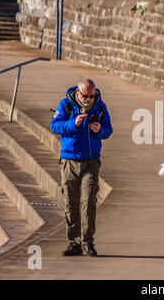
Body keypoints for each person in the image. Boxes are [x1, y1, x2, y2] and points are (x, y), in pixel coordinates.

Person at [50, 79, 113, 256]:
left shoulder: (100, 107)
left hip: (91, 161)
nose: (87, 99)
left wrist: (99, 129)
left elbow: (108, 130)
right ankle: (74, 242)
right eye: (85, 95)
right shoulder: (66, 104)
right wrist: (73, 124)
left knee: (88, 200)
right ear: (78, 91)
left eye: (91, 96)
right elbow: (54, 125)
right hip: (69, 160)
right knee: (71, 202)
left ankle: (87, 242)